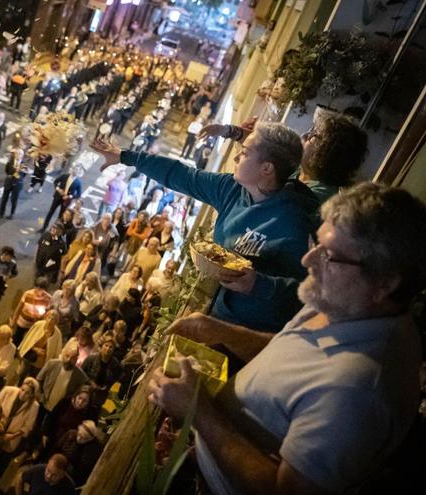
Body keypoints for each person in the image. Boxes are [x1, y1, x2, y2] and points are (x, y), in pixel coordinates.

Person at [148, 183, 426, 495]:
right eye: (316, 243)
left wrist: (198, 411)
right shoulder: (343, 303)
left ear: (385, 283)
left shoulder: (358, 390)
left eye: (330, 255)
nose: (308, 260)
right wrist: (223, 332)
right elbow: (295, 358)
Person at [101, 121, 317, 332]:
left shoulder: (294, 223)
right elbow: (183, 176)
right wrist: (124, 156)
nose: (236, 156)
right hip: (217, 311)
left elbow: (309, 295)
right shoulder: (232, 189)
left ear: (267, 168)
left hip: (253, 330)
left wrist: (258, 284)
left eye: (245, 152)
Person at [0, 377, 41, 482]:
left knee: (2, 461)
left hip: (11, 437)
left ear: (32, 395)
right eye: (22, 390)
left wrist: (12, 436)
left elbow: (27, 427)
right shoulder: (8, 390)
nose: (23, 394)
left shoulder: (34, 406)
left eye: (27, 393)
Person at [42, 385, 97, 453]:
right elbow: (52, 416)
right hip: (54, 434)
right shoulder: (65, 402)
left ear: (88, 403)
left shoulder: (90, 414)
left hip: (69, 445)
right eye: (79, 398)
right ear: (76, 395)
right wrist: (45, 433)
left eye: (84, 401)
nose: (80, 402)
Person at [37, 345, 89, 413]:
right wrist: (40, 395)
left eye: (73, 358)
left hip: (60, 409)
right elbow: (39, 379)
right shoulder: (52, 364)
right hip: (43, 402)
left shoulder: (80, 376)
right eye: (67, 356)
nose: (69, 360)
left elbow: (82, 391)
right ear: (63, 354)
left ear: (76, 359)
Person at [18, 310, 64, 382]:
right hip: (29, 355)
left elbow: (55, 351)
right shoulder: (38, 325)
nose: (50, 321)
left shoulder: (57, 334)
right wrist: (35, 349)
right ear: (45, 317)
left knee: (32, 379)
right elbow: (29, 339)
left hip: (41, 361)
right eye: (49, 317)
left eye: (53, 319)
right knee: (22, 374)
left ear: (56, 322)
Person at [56, 420, 104, 487]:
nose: (79, 439)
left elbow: (82, 469)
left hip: (75, 477)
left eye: (83, 438)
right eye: (79, 434)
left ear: (91, 438)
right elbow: (58, 447)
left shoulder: (93, 450)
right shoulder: (72, 434)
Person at [9, 278, 53, 346]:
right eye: (36, 288)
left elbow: (47, 313)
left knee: (28, 340)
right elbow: (19, 307)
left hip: (34, 324)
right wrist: (13, 320)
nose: (37, 291)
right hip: (23, 322)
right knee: (17, 337)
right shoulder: (27, 294)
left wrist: (41, 316)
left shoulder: (48, 298)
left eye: (40, 289)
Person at [81, 337, 121, 406]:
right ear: (102, 346)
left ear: (113, 350)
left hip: (101, 395)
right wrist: (90, 382)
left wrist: (107, 387)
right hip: (86, 389)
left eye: (111, 347)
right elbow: (81, 372)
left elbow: (115, 378)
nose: (108, 349)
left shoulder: (115, 364)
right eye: (106, 345)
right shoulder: (92, 358)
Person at [41, 167, 82, 233]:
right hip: (57, 197)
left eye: (77, 171)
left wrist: (69, 196)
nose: (75, 172)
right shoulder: (65, 176)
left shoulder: (78, 182)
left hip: (66, 201)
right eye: (74, 170)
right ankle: (44, 228)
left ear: (78, 173)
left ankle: (54, 229)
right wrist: (58, 189)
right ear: (72, 170)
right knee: (51, 212)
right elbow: (56, 181)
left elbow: (79, 194)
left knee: (61, 216)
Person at [0, 147, 27, 220]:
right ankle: (1, 214)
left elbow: (23, 176)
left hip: (17, 185)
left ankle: (12, 214)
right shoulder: (10, 161)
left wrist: (16, 174)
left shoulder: (24, 164)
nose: (17, 155)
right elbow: (7, 170)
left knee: (14, 200)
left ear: (22, 156)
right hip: (8, 183)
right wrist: (13, 174)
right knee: (4, 199)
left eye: (20, 154)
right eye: (16, 153)